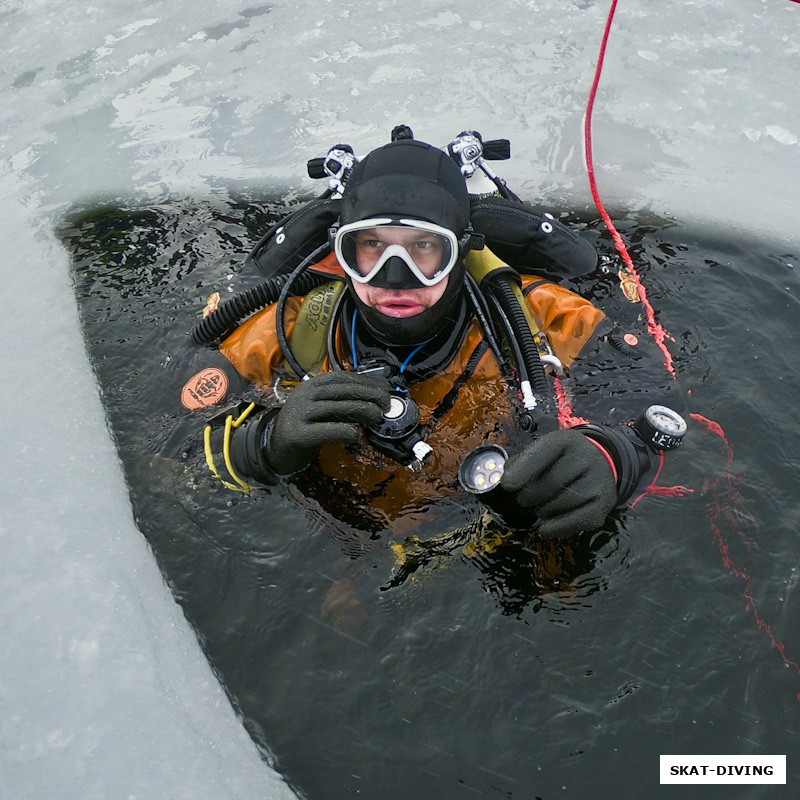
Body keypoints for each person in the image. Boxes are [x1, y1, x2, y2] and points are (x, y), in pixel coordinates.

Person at [179, 131, 686, 542]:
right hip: (336, 535)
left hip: (487, 535)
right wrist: (266, 443)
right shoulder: (290, 326)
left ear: (463, 249)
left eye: (424, 249)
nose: (393, 277)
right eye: (371, 247)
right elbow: (166, 443)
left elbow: (667, 411)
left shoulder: (540, 315)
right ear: (342, 251)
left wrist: (612, 457)